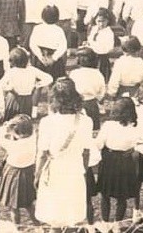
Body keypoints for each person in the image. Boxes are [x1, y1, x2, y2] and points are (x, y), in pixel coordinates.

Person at [33, 79, 94, 228]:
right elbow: (86, 152)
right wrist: (83, 170)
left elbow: (42, 153)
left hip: (55, 171)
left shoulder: (47, 122)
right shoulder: (86, 121)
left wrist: (37, 174)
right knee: (72, 215)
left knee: (55, 216)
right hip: (75, 170)